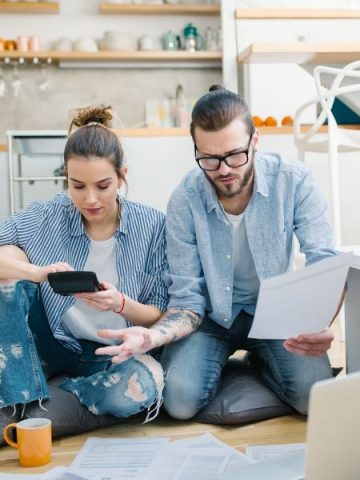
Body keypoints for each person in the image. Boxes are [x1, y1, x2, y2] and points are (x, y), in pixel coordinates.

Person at [97, 86, 339, 420]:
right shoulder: (184, 199)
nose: (224, 169)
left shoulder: (294, 180)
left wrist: (319, 322)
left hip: (276, 314)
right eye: (209, 159)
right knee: (179, 403)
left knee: (316, 399)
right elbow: (187, 300)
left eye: (235, 155)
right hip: (210, 318)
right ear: (196, 149)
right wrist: (153, 337)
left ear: (255, 141)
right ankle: (236, 361)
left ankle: (258, 361)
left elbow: (324, 260)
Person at [0, 105, 167, 423]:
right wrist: (38, 273)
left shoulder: (152, 225)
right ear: (66, 180)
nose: (90, 199)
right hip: (54, 344)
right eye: (78, 186)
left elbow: (158, 314)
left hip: (113, 354)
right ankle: (24, 397)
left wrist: (119, 303)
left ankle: (62, 396)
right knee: (9, 259)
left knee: (139, 387)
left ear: (122, 178)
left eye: (102, 186)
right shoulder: (45, 215)